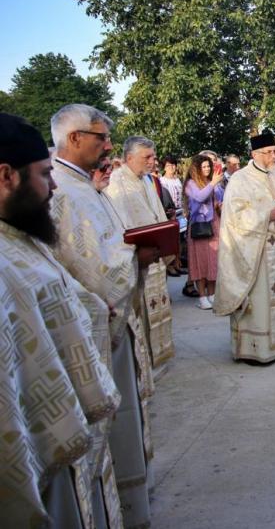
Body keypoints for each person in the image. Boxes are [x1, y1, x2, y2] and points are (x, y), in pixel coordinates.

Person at [0, 113, 122, 527]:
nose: (52, 187)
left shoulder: (16, 237)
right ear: (6, 176)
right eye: (44, 174)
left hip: (56, 430)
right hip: (35, 448)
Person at [48, 106, 157, 526]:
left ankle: (128, 507)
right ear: (74, 138)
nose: (109, 144)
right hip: (94, 331)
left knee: (123, 419)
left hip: (116, 321)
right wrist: (136, 257)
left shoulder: (85, 188)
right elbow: (88, 267)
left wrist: (135, 253)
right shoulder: (62, 192)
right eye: (102, 136)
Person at [214, 131, 275, 363]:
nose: (274, 156)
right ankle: (257, 349)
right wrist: (266, 215)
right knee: (261, 298)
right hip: (258, 252)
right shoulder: (240, 179)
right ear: (255, 153)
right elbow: (234, 217)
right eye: (269, 152)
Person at [107, 136, 175, 369]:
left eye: (153, 156)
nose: (152, 161)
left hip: (154, 254)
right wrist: (136, 253)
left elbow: (157, 213)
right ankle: (143, 362)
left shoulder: (146, 180)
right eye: (147, 157)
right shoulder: (116, 183)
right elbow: (118, 227)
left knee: (157, 308)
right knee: (141, 311)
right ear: (129, 158)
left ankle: (157, 357)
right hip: (138, 257)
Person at [185, 153, 223, 310]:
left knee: (213, 260)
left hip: (214, 223)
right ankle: (202, 296)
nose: (207, 169)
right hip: (199, 227)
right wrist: (213, 184)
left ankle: (212, 294)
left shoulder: (213, 181)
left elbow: (221, 198)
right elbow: (200, 197)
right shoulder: (190, 183)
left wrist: (220, 202)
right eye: (204, 166)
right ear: (197, 168)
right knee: (200, 262)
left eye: (209, 166)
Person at [161, 155, 184, 275]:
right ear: (164, 167)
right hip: (168, 214)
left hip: (180, 213)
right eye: (168, 165)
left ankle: (178, 263)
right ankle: (170, 265)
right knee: (170, 241)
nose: (172, 167)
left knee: (179, 240)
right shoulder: (161, 181)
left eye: (173, 164)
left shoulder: (178, 180)